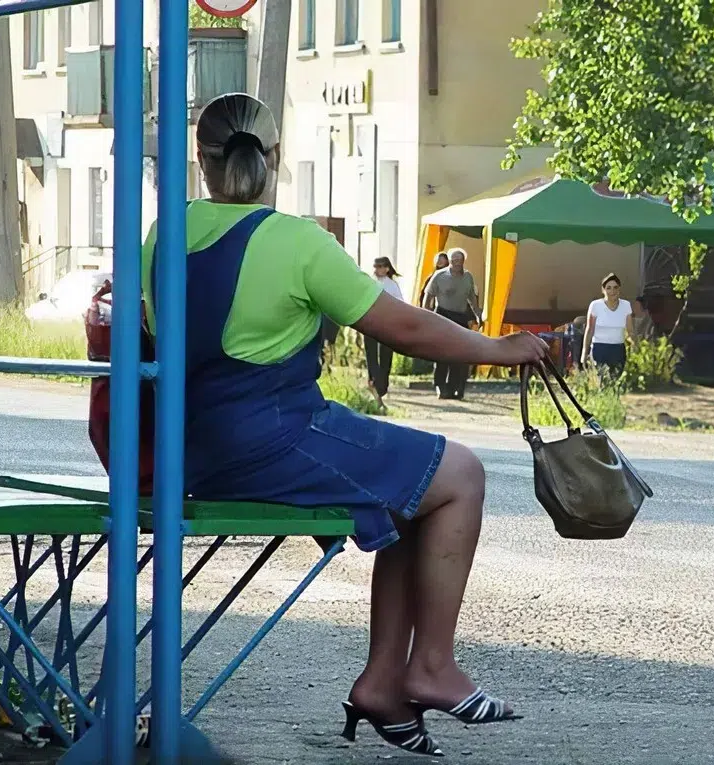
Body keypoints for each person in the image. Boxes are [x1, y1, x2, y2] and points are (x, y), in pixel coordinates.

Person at [140, 93, 548, 758]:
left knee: (413, 488)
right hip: (273, 439)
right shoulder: (297, 241)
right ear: (273, 157)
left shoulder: (163, 233)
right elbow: (404, 327)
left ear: (202, 159)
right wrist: (499, 349)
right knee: (461, 475)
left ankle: (383, 683)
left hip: (193, 448)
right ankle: (432, 665)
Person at [422, 248, 481, 400]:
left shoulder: (468, 277)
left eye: (459, 260)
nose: (456, 263)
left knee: (458, 354)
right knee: (442, 353)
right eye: (454, 260)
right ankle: (440, 386)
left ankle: (453, 387)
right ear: (450, 261)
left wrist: (478, 314)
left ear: (463, 261)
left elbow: (472, 298)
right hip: (442, 315)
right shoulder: (440, 275)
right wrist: (426, 315)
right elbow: (428, 295)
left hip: (460, 317)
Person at [580, 273, 634, 385]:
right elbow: (589, 330)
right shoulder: (595, 305)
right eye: (608, 288)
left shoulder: (626, 305)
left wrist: (635, 349)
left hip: (618, 349)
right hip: (599, 349)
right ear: (603, 290)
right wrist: (584, 352)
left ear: (619, 289)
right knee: (602, 381)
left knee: (615, 382)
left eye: (615, 287)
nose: (612, 291)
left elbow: (630, 331)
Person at [365, 256, 404, 411]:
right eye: (375, 266)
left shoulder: (392, 285)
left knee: (386, 354)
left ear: (387, 268)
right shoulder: (369, 281)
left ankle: (382, 384)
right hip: (370, 322)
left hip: (387, 323)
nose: (377, 269)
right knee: (371, 354)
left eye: (380, 266)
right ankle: (374, 382)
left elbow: (400, 304)